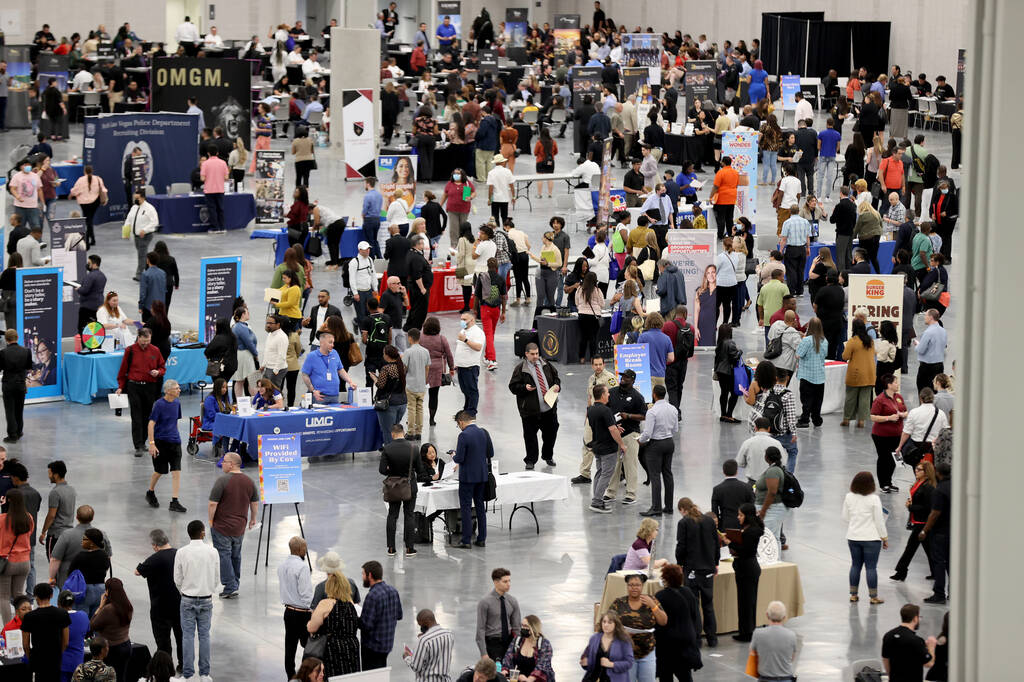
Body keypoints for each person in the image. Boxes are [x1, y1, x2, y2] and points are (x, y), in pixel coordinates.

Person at [207, 453, 257, 599]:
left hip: (222, 526)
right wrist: (253, 518)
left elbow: (212, 503)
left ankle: (230, 586)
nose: (222, 464)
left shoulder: (222, 481)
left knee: (224, 555)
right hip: (240, 527)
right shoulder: (249, 481)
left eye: (224, 461)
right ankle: (235, 582)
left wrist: (210, 521)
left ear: (232, 464)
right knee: (236, 555)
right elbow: (254, 502)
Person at [174, 520, 219, 681]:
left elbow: (177, 578)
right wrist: (208, 589)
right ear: (202, 533)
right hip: (206, 599)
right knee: (204, 635)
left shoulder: (181, 552)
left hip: (187, 598)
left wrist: (184, 591)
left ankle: (188, 674)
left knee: (187, 636)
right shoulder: (212, 552)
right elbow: (216, 577)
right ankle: (205, 674)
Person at [134, 529, 183, 674]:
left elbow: (138, 571)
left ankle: (166, 668)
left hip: (160, 607)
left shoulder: (155, 558)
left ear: (155, 545)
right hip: (180, 604)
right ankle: (183, 665)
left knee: (163, 641)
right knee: (181, 637)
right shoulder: (179, 554)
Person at [508, 343, 560, 470]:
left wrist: (558, 386)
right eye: (532, 354)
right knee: (530, 436)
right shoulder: (521, 369)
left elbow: (556, 377)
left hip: (549, 408)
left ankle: (547, 455)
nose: (535, 356)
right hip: (530, 411)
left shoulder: (546, 364)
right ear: (526, 354)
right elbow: (513, 387)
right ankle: (530, 460)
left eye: (537, 353)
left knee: (551, 433)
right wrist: (524, 388)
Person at [674, 499, 719, 647]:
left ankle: (696, 639)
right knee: (708, 604)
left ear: (682, 509)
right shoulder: (709, 521)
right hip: (707, 569)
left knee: (693, 605)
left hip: (692, 569)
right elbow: (715, 543)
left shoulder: (684, 523)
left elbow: (681, 546)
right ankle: (712, 638)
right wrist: (716, 563)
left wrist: (679, 563)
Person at [115, 328, 165, 457]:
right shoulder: (130, 350)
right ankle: (138, 445)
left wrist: (158, 372)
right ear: (138, 337)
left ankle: (143, 441)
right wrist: (121, 386)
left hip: (150, 387)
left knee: (148, 416)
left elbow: (162, 367)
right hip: (134, 387)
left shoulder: (155, 350)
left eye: (148, 341)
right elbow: (123, 370)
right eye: (143, 341)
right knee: (136, 416)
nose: (145, 344)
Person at [603, 369, 648, 506]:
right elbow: (606, 409)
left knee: (630, 464)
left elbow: (644, 415)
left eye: (626, 378)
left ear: (633, 380)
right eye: (622, 377)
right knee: (613, 465)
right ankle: (610, 492)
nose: (623, 379)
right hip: (614, 433)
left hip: (630, 434)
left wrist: (628, 416)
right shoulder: (612, 392)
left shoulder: (638, 397)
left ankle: (631, 494)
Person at [842, 471, 889, 604]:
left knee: (855, 565)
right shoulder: (874, 499)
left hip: (853, 537)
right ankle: (873, 597)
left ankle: (853, 595)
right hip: (871, 538)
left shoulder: (848, 497)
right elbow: (879, 521)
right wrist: (884, 538)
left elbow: (845, 517)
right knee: (871, 567)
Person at [379, 424, 426, 556]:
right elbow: (420, 469)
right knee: (409, 515)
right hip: (410, 486)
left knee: (392, 515)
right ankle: (410, 548)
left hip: (393, 487)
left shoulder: (387, 449)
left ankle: (391, 548)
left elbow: (382, 470)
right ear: (403, 433)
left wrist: (391, 470)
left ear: (392, 434)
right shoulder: (413, 448)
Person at [650, 563, 701, 682]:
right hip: (686, 641)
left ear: (666, 579)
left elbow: (657, 621)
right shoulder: (688, 592)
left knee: (665, 675)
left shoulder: (660, 596)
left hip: (667, 644)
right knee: (685, 676)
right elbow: (695, 616)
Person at [609, 573, 665, 682]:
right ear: (627, 586)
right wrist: (620, 632)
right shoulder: (618, 603)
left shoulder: (651, 600)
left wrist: (653, 606)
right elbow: (607, 624)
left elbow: (663, 621)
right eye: (631, 585)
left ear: (642, 586)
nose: (634, 588)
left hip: (647, 651)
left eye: (637, 585)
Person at [890, 461, 938, 583]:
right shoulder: (918, 484)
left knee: (910, 548)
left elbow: (928, 507)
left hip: (922, 523)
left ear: (926, 473)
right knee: (928, 549)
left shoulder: (928, 487)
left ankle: (901, 571)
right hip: (918, 521)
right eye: (916, 469)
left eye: (919, 470)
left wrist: (911, 507)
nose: (916, 471)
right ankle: (935, 572)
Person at [453, 411, 493, 547]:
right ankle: (482, 539)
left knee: (466, 508)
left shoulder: (463, 435)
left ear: (461, 422)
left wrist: (454, 455)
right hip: (481, 476)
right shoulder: (483, 432)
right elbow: (490, 453)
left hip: (467, 477)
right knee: (480, 507)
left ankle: (466, 540)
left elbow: (459, 458)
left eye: (458, 425)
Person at [145, 379, 186, 512]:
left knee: (176, 471)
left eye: (179, 388)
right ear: (168, 391)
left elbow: (175, 422)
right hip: (160, 443)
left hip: (175, 442)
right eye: (176, 388)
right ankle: (150, 492)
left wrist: (176, 436)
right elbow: (151, 424)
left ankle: (174, 501)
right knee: (159, 471)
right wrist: (152, 444)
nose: (179, 390)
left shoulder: (177, 403)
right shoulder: (159, 405)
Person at [277, 536, 313, 679]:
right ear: (300, 549)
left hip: (289, 612)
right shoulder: (302, 567)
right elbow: (306, 594)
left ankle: (291, 676)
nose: (306, 551)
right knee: (310, 647)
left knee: (290, 648)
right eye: (305, 549)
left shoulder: (282, 565)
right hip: (303, 614)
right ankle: (307, 675)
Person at [22, 582, 72, 682]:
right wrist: (58, 653)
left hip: (38, 658)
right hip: (55, 657)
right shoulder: (62, 614)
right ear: (52, 595)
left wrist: (30, 656)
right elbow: (66, 642)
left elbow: (26, 644)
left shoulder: (29, 617)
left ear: (35, 596)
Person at [358, 560, 403, 669]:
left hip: (372, 647)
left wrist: (354, 617)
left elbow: (366, 625)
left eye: (363, 574)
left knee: (371, 676)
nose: (362, 577)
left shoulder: (372, 596)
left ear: (370, 575)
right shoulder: (393, 591)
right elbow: (399, 615)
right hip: (386, 644)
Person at [870, 374, 909, 494]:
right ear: (889, 385)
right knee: (883, 459)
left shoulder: (899, 397)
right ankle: (883, 484)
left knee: (893, 458)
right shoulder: (880, 399)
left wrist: (903, 415)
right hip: (881, 435)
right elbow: (873, 416)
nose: (897, 384)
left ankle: (889, 482)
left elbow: (906, 411)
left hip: (897, 434)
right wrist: (888, 418)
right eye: (896, 382)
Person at [88, 578, 133, 680]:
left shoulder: (108, 609)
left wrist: (100, 607)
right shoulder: (128, 606)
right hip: (126, 644)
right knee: (121, 677)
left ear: (108, 591)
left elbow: (92, 625)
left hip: (111, 648)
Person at [0, 487, 32, 623]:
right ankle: (23, 625)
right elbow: (29, 534)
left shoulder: (2, 519)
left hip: (7, 562)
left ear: (8, 501)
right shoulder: (28, 518)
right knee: (19, 595)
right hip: (25, 561)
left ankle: (9, 629)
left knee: (4, 597)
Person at [882, 604, 937, 679]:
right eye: (919, 617)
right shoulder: (916, 641)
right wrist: (931, 647)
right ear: (915, 619)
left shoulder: (888, 635)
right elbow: (929, 664)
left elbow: (885, 659)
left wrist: (891, 677)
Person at [301, 331, 354, 405]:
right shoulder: (312, 356)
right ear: (322, 343)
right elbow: (304, 374)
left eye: (333, 343)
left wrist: (350, 381)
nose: (332, 345)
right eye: (330, 342)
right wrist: (313, 391)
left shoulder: (334, 353)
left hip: (334, 395)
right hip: (319, 396)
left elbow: (340, 370)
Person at [748, 601, 798, 680]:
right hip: (786, 679)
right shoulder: (792, 635)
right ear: (784, 617)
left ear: (767, 615)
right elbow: (792, 658)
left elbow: (752, 653)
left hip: (765, 679)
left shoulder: (758, 634)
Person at [842, 319, 876, 428]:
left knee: (851, 397)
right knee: (865, 398)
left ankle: (847, 419)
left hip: (856, 373)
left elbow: (845, 356)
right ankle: (862, 420)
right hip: (870, 373)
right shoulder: (870, 341)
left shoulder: (853, 341)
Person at [582, 612, 635, 682]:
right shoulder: (594, 638)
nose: (606, 625)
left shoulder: (624, 641)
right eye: (604, 622)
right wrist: (585, 662)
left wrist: (612, 664)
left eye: (610, 622)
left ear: (616, 625)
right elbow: (586, 658)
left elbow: (629, 663)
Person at [403, 609, 455, 682]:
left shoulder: (424, 641)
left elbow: (416, 667)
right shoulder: (449, 634)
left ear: (427, 621)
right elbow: (438, 652)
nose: (421, 629)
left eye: (421, 625)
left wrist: (407, 658)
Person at [0, 329, 33, 443]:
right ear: (17, 337)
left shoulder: (3, 353)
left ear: (6, 339)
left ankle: (12, 435)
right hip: (20, 384)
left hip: (8, 384)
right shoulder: (27, 351)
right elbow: (29, 366)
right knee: (19, 409)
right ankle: (19, 431)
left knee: (10, 410)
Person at [475, 258, 508, 370]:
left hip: (485, 308)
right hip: (496, 310)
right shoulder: (501, 279)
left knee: (488, 334)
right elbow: (504, 297)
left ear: (487, 266)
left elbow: (477, 296)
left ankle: (492, 360)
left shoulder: (482, 277)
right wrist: (503, 312)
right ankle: (487, 356)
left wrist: (475, 310)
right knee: (491, 333)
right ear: (497, 266)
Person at [454, 312, 486, 416]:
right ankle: (466, 408)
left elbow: (478, 347)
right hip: (461, 366)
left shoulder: (477, 332)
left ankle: (471, 412)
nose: (462, 321)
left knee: (472, 390)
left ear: (472, 320)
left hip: (470, 367)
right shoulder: (463, 330)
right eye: (461, 319)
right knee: (465, 390)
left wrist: (466, 340)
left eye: (464, 319)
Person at [124, 189, 159, 279]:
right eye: (134, 198)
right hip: (136, 236)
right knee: (142, 254)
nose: (135, 200)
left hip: (145, 235)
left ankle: (139, 275)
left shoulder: (149, 208)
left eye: (137, 198)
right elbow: (128, 219)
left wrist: (145, 230)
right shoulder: (134, 207)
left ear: (143, 198)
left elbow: (155, 222)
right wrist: (126, 231)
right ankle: (148, 269)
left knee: (142, 255)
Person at [69, 167, 107, 248]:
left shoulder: (81, 180)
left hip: (84, 203)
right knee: (90, 220)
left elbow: (75, 191)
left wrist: (71, 194)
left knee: (88, 220)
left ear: (84, 171)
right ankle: (92, 239)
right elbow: (103, 190)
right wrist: (105, 199)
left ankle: (88, 239)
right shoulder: (98, 178)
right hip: (95, 202)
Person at [713, 324, 742, 422]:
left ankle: (723, 414)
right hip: (728, 372)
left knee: (724, 393)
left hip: (720, 371)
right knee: (734, 393)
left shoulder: (720, 343)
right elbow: (734, 358)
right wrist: (740, 352)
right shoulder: (731, 343)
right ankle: (729, 415)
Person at [199, 144, 229, 232]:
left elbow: (202, 178)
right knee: (220, 209)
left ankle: (215, 228)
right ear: (217, 153)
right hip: (220, 189)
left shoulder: (205, 164)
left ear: (208, 153)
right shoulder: (223, 163)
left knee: (212, 209)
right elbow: (227, 177)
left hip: (209, 190)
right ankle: (222, 227)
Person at [915, 309, 948, 392]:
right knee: (936, 391)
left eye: (926, 315)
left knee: (924, 392)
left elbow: (921, 350)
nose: (924, 318)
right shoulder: (943, 331)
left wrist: (917, 345)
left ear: (930, 317)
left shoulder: (928, 332)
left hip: (927, 367)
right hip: (939, 365)